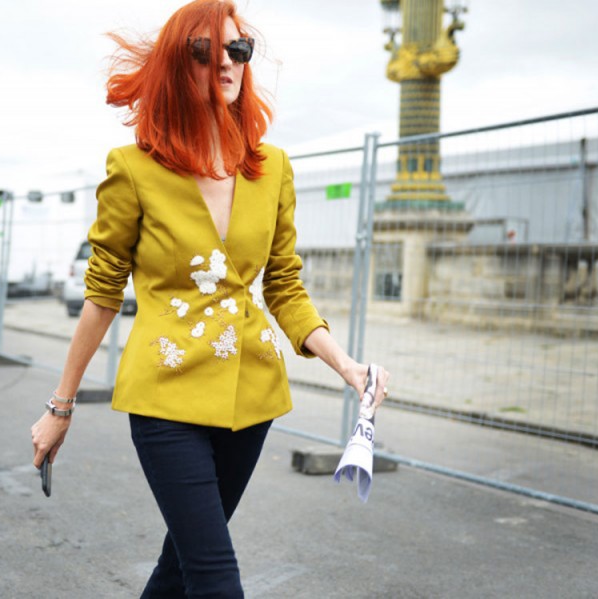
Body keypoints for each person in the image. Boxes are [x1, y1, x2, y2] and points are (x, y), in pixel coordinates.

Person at [31, 1, 390, 596]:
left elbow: (283, 284)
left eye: (237, 50)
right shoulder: (133, 169)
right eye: (205, 51)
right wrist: (60, 405)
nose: (225, 63)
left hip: (250, 398)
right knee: (216, 578)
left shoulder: (271, 168)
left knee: (183, 567)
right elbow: (101, 294)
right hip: (165, 398)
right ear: (179, 64)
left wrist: (346, 365)